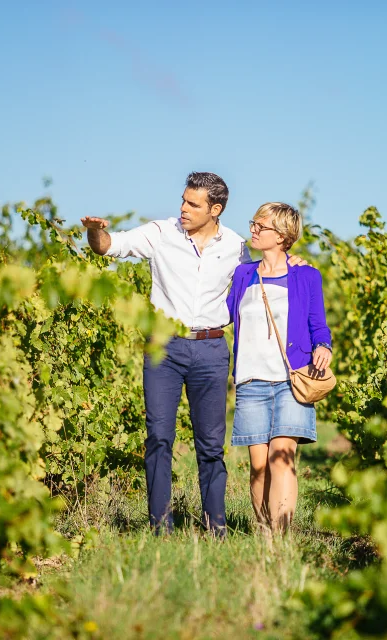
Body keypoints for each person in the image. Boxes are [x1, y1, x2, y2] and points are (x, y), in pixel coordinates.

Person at [81, 173, 305, 537]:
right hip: (164, 349)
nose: (183, 209)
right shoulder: (160, 233)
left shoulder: (234, 247)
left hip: (212, 350)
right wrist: (94, 231)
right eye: (183, 200)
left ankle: (216, 528)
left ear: (215, 209)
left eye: (193, 204)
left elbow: (262, 273)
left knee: (211, 446)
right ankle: (161, 528)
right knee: (158, 437)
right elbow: (108, 245)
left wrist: (289, 262)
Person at [226, 202, 332, 534]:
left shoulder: (306, 275)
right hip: (250, 380)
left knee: (281, 460)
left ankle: (280, 541)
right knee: (259, 468)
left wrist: (323, 347)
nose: (253, 230)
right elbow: (226, 315)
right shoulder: (243, 273)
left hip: (291, 380)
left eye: (261, 225)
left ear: (282, 235)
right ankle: (264, 532)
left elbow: (319, 324)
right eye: (253, 223)